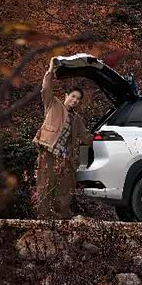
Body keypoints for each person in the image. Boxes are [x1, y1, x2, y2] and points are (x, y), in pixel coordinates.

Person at [33, 57, 93, 219]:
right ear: (66, 95)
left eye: (78, 99)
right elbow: (46, 88)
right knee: (45, 185)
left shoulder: (77, 119)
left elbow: (85, 137)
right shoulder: (53, 104)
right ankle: (42, 218)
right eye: (73, 96)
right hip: (48, 152)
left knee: (65, 189)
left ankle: (61, 218)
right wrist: (50, 70)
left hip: (65, 158)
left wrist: (105, 137)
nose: (75, 100)